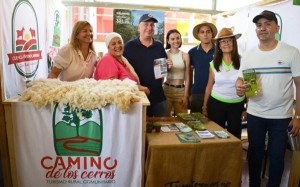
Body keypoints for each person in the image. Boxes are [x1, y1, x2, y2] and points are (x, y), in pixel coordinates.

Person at [235, 10, 300, 187]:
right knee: (255, 154)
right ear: (256, 30)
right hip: (255, 113)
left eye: (267, 24)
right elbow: (241, 79)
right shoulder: (249, 54)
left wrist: (298, 117)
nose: (262, 28)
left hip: (281, 116)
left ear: (276, 27)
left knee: (277, 156)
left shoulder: (292, 52)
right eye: (259, 25)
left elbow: (299, 85)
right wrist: (239, 87)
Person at [124, 13, 172, 117]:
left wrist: (168, 67)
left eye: (152, 25)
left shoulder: (159, 46)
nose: (149, 28)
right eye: (146, 24)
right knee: (140, 130)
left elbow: (162, 71)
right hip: (137, 98)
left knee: (161, 128)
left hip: (158, 97)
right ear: (139, 27)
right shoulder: (129, 47)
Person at [202, 27, 246, 139]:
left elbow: (249, 86)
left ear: (234, 43)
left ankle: (232, 157)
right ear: (219, 46)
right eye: (223, 41)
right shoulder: (213, 63)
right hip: (216, 104)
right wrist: (204, 106)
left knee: (235, 136)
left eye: (229, 40)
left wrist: (247, 108)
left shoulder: (243, 62)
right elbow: (209, 85)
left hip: (237, 106)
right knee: (216, 136)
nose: (226, 43)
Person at [188, 21, 218, 113]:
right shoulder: (192, 52)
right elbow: (189, 75)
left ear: (212, 34)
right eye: (202, 32)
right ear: (198, 35)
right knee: (195, 123)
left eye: (208, 32)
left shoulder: (219, 51)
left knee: (213, 124)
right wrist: (189, 93)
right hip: (197, 93)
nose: (205, 35)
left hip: (215, 93)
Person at [164, 29, 190, 116]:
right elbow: (160, 74)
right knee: (165, 120)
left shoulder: (185, 55)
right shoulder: (164, 54)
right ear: (168, 41)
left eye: (178, 38)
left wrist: (186, 95)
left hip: (181, 91)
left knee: (183, 120)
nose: (176, 41)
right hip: (167, 90)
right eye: (172, 39)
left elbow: (187, 77)